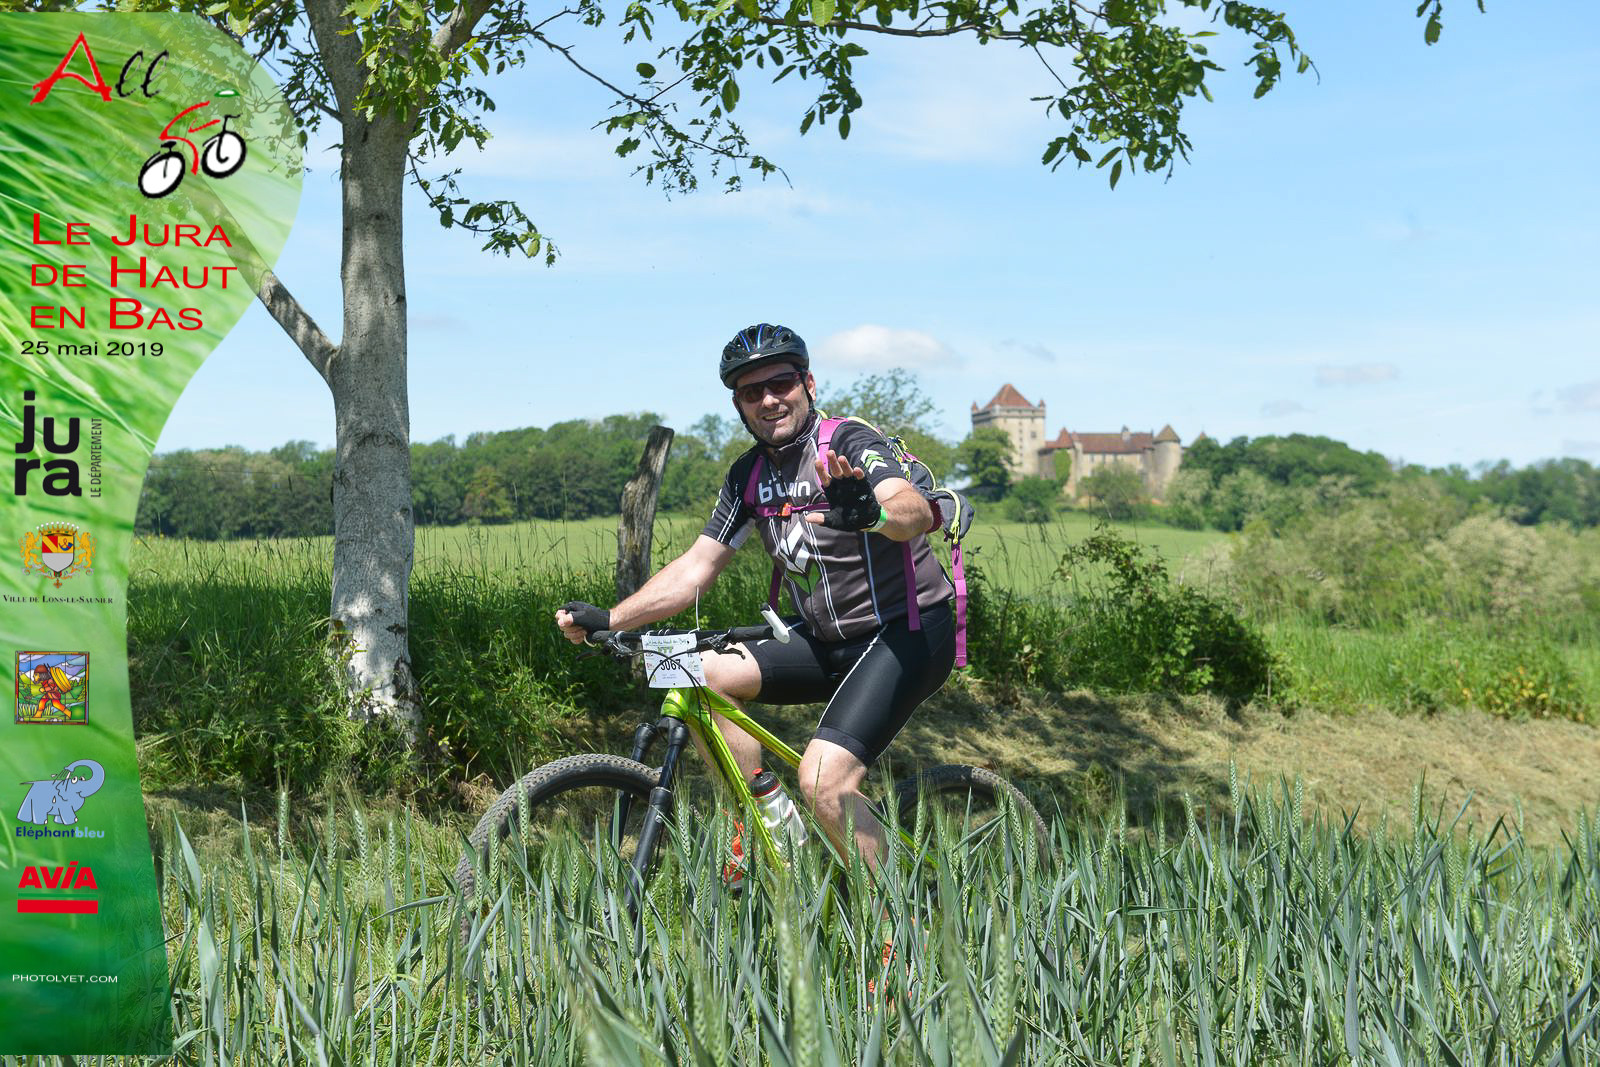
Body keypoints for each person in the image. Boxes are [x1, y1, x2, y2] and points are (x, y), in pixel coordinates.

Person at [555, 323, 957, 872]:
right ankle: (776, 830)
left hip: (905, 632)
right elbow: (697, 567)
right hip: (826, 637)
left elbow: (911, 509)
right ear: (738, 405)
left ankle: (897, 921)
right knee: (698, 672)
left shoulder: (847, 442)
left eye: (781, 383)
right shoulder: (748, 474)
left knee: (824, 780)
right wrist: (615, 618)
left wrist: (874, 512)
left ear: (807, 383)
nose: (769, 400)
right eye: (751, 391)